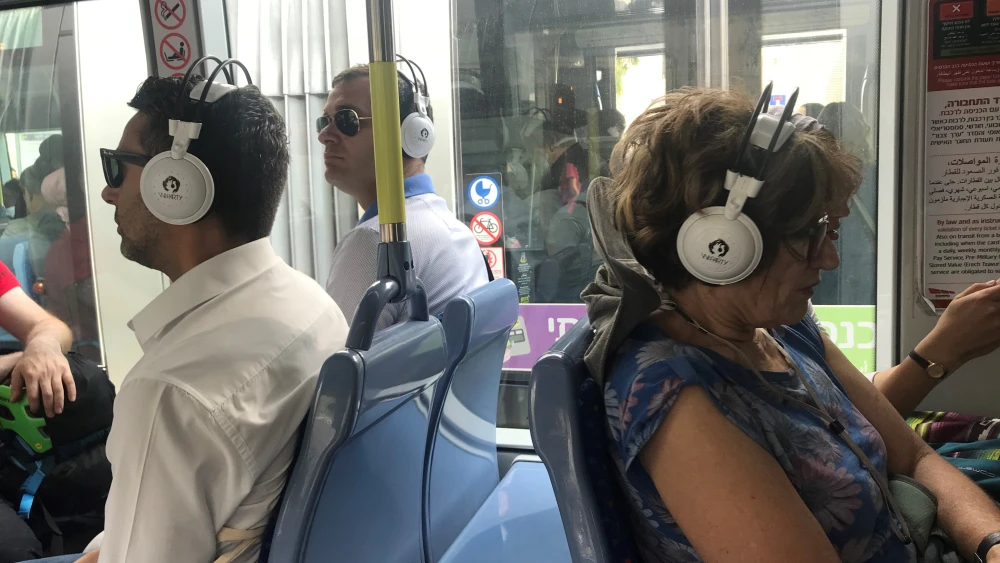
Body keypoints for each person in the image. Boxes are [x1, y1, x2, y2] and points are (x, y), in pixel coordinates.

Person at [582, 88, 1000, 562]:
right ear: (722, 244)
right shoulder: (675, 396)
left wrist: (991, 542)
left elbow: (915, 457)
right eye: (810, 235)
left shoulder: (780, 328)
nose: (831, 258)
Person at [28, 73, 349, 563]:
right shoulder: (313, 304)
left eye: (117, 168)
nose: (108, 193)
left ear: (173, 187)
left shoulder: (170, 394)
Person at [320, 62, 488, 329]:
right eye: (324, 121)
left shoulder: (378, 241)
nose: (324, 136)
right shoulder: (451, 228)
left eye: (346, 120)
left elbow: (333, 355)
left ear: (410, 135)